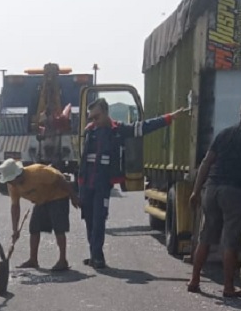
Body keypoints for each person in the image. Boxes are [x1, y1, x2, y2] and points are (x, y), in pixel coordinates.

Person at [79, 97, 187, 269]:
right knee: (89, 220)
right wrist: (79, 187)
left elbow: (144, 127)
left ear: (106, 113)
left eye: (97, 117)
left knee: (99, 219)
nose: (94, 121)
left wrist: (168, 118)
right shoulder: (90, 131)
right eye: (91, 118)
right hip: (86, 185)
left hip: (102, 185)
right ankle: (94, 254)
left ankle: (97, 257)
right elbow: (84, 160)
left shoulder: (118, 130)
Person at [187, 96, 241, 298]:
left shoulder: (224, 133)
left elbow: (206, 163)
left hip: (212, 189)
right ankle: (228, 287)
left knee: (206, 237)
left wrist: (196, 191)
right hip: (235, 192)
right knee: (230, 240)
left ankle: (194, 280)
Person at [0, 159, 80, 272]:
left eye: (11, 180)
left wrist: (73, 197)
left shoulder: (37, 172)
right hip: (41, 200)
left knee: (59, 229)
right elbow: (15, 207)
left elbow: (60, 179)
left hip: (58, 196)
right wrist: (15, 230)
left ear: (18, 175)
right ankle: (33, 260)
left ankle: (62, 260)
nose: (10, 183)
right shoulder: (12, 185)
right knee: (34, 228)